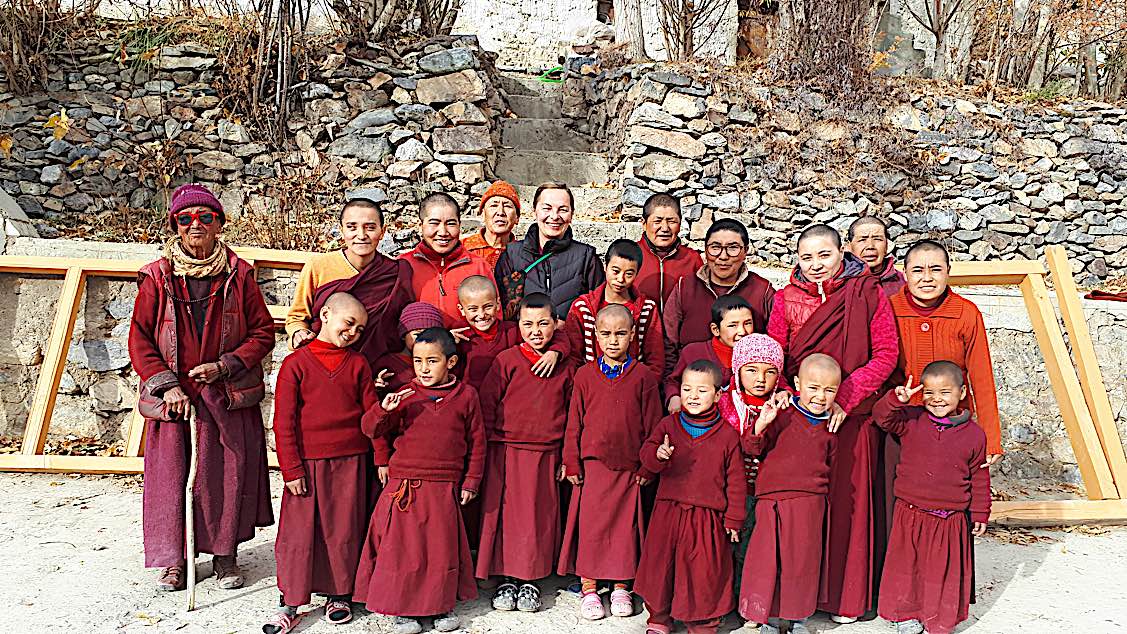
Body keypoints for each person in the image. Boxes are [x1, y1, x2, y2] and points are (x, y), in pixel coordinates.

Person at [128, 183, 274, 592]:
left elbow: (262, 333)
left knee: (225, 474)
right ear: (175, 225)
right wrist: (165, 385)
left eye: (205, 217)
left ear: (220, 224)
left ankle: (226, 554)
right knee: (171, 474)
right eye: (186, 219)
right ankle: (175, 559)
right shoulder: (157, 276)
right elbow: (140, 335)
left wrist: (226, 365)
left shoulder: (239, 274)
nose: (196, 225)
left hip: (224, 392)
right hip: (175, 396)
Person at [765, 223, 898, 623]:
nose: (816, 265)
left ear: (843, 254)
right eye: (807, 257)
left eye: (824, 255)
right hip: (801, 424)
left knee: (848, 509)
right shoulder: (787, 298)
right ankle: (793, 598)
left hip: (850, 421)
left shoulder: (866, 292)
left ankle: (845, 597)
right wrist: (794, 393)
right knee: (801, 511)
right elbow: (776, 356)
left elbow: (886, 354)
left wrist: (844, 397)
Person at [353, 328, 485, 634]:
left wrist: (471, 481)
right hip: (405, 484)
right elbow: (371, 430)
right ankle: (404, 609)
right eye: (417, 361)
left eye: (432, 361)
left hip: (443, 486)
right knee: (404, 550)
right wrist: (382, 410)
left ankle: (440, 606)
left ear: (451, 362)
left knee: (439, 550)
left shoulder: (466, 396)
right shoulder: (404, 394)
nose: (423, 368)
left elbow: (477, 443)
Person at [266, 293, 376, 633]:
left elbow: (372, 416)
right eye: (349, 323)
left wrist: (382, 458)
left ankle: (339, 593)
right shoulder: (296, 364)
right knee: (299, 534)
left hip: (351, 461)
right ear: (325, 314)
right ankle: (291, 602)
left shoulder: (358, 364)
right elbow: (283, 421)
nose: (353, 333)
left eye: (359, 329)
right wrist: (291, 468)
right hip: (308, 465)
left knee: (343, 529)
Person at [559, 304, 664, 621]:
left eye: (621, 333)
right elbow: (574, 423)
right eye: (606, 334)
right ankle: (589, 587)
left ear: (633, 335)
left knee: (624, 529)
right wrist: (572, 462)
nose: (613, 340)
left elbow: (653, 426)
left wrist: (647, 466)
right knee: (591, 527)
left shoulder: (643, 377)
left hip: (629, 470)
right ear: (595, 336)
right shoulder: (585, 375)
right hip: (593, 468)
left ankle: (621, 586)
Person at [872, 363, 991, 634]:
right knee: (907, 567)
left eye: (945, 392)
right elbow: (883, 419)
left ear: (961, 393)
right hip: (910, 512)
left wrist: (980, 512)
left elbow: (979, 477)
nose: (936, 399)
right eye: (929, 392)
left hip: (949, 519)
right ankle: (905, 615)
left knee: (942, 572)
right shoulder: (912, 420)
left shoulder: (974, 435)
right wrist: (895, 400)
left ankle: (938, 618)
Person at [476, 294, 576, 612]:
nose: (536, 331)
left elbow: (575, 413)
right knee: (504, 515)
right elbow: (488, 405)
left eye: (544, 323)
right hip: (505, 450)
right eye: (528, 324)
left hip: (545, 451)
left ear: (556, 325)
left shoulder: (567, 366)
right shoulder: (506, 360)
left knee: (535, 518)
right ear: (517, 325)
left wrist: (566, 455)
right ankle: (506, 578)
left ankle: (530, 579)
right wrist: (489, 448)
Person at [634, 360, 745, 634]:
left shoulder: (728, 436)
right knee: (660, 567)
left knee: (703, 573)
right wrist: (657, 456)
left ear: (719, 395)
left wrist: (733, 519)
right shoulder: (668, 426)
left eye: (702, 390)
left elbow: (736, 481)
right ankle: (659, 618)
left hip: (706, 517)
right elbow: (647, 454)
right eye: (687, 389)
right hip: (668, 512)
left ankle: (703, 623)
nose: (693, 396)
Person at [739, 354, 842, 634]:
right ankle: (768, 617)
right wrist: (761, 424)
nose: (820, 396)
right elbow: (752, 448)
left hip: (809, 501)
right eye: (813, 387)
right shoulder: (781, 413)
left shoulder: (831, 426)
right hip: (771, 499)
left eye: (829, 390)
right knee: (766, 559)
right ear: (797, 383)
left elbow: (832, 466)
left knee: (802, 560)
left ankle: (796, 618)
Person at [286, 190, 414, 366]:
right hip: (323, 361)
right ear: (341, 230)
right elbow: (297, 317)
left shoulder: (396, 272)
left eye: (370, 227)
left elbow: (401, 325)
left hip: (377, 364)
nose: (361, 235)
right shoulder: (319, 266)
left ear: (382, 231)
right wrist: (298, 333)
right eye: (352, 227)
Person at [716, 334, 787, 595]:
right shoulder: (724, 404)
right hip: (727, 492)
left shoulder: (782, 407)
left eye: (770, 372)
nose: (760, 379)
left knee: (752, 552)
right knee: (723, 552)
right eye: (752, 370)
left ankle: (748, 601)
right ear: (737, 370)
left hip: (762, 494)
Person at [663, 219, 774, 383]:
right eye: (715, 248)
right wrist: (672, 388)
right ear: (705, 250)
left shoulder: (763, 291)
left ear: (746, 251)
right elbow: (668, 343)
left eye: (733, 248)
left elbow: (775, 344)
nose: (723, 256)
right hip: (693, 392)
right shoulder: (684, 287)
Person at [495, 182, 604, 320]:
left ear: (572, 214)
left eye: (563, 209)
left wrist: (571, 328)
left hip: (571, 340)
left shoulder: (586, 257)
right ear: (534, 211)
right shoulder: (511, 255)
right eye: (546, 208)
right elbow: (501, 311)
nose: (554, 216)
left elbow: (598, 310)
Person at [452, 275, 567, 390]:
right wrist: (447, 343)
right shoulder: (459, 335)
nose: (481, 315)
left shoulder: (512, 330)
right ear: (462, 309)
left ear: (497, 304)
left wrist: (555, 351)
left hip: (507, 397)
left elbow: (557, 335)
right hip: (472, 400)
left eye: (488, 307)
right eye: (473, 309)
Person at [565, 239, 663, 373]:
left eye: (629, 274)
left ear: (637, 274)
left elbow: (655, 359)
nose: (621, 279)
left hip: (634, 386)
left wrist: (644, 386)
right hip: (591, 387)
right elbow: (573, 357)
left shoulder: (647, 308)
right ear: (605, 267)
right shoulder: (583, 308)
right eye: (615, 271)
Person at [400, 192, 495, 326]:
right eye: (434, 223)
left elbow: (495, 318)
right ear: (419, 225)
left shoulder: (478, 266)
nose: (443, 232)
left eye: (450, 223)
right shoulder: (403, 266)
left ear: (459, 225)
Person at [664, 296, 756, 413]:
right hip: (699, 421)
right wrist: (674, 397)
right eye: (733, 325)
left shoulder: (757, 354)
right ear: (715, 329)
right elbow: (673, 381)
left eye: (748, 323)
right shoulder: (693, 352)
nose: (742, 331)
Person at [636, 193, 703, 311]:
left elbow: (702, 303)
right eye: (657, 221)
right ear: (644, 224)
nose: (665, 228)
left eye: (671, 221)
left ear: (680, 224)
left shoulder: (692, 259)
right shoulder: (631, 256)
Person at [372, 302, 446, 398]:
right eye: (417, 334)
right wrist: (376, 387)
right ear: (403, 335)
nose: (424, 340)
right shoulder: (386, 363)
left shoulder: (442, 361)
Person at [463, 180, 521, 270]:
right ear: (483, 215)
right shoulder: (462, 249)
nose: (500, 212)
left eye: (507, 206)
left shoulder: (524, 255)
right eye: (494, 205)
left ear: (517, 218)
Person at [847, 216, 905, 297]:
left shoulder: (904, 283)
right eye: (862, 240)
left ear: (887, 246)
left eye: (877, 239)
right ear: (849, 247)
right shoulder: (838, 283)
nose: (870, 246)